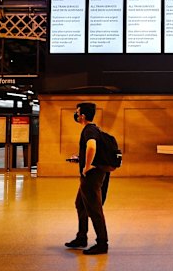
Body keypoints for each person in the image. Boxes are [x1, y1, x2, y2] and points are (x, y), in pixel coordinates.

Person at [64, 102, 109, 255]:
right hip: (92, 175)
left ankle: (102, 244)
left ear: (82, 115)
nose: (76, 115)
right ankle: (81, 237)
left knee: (94, 209)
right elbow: (89, 149)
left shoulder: (88, 130)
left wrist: (87, 166)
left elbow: (91, 147)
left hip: (91, 176)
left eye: (77, 112)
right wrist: (80, 159)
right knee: (80, 205)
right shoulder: (93, 129)